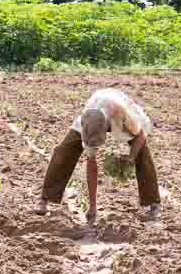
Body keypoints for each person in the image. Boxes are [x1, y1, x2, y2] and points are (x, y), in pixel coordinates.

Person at [35, 88, 162, 222]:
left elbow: (140, 134)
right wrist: (93, 207)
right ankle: (44, 198)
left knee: (142, 153)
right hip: (96, 113)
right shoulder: (87, 120)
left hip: (124, 113)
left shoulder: (123, 116)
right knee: (63, 151)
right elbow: (91, 165)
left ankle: (154, 203)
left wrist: (130, 158)